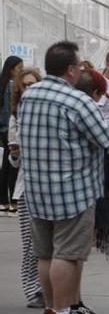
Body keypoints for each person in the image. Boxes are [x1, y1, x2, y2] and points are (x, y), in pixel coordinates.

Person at [19, 42, 109, 314]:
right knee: (67, 255)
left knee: (45, 254)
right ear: (71, 70)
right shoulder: (77, 101)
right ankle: (62, 310)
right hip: (72, 192)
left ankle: (51, 306)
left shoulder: (29, 95)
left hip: (36, 191)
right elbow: (103, 138)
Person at [6, 67, 44, 308]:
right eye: (25, 85)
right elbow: (14, 160)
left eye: (33, 84)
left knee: (47, 246)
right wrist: (16, 154)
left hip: (49, 187)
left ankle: (48, 288)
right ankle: (34, 291)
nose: (29, 88)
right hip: (26, 188)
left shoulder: (46, 112)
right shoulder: (16, 117)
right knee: (31, 244)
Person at [0, 54, 24, 214]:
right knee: (11, 167)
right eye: (19, 69)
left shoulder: (3, 84)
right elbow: (10, 111)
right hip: (8, 130)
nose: (21, 72)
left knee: (5, 167)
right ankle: (11, 202)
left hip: (2, 130)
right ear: (12, 69)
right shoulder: (10, 85)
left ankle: (3, 201)